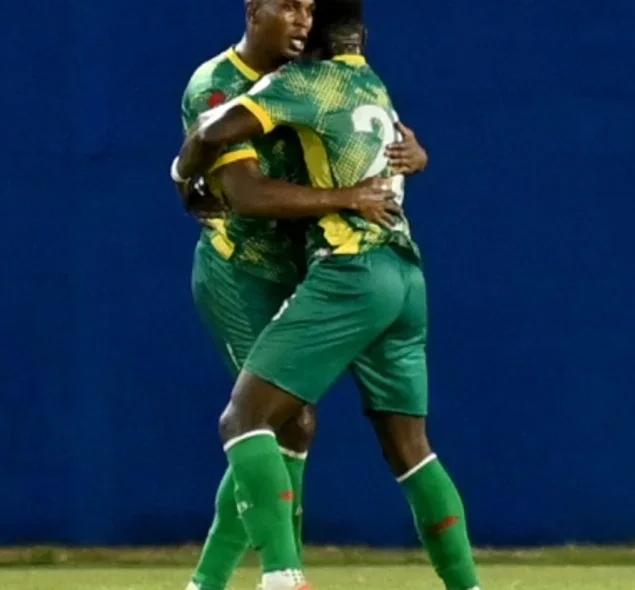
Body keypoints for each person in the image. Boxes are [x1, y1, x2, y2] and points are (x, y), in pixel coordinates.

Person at [174, 1, 481, 588]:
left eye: (309, 9)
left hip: (331, 265)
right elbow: (245, 195)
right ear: (252, 9)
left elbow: (365, 142)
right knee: (283, 420)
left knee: (265, 420)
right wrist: (183, 172)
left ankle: (236, 580)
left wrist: (414, 156)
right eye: (287, 6)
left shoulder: (304, 81)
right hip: (246, 271)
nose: (300, 20)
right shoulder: (220, 82)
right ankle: (260, 577)